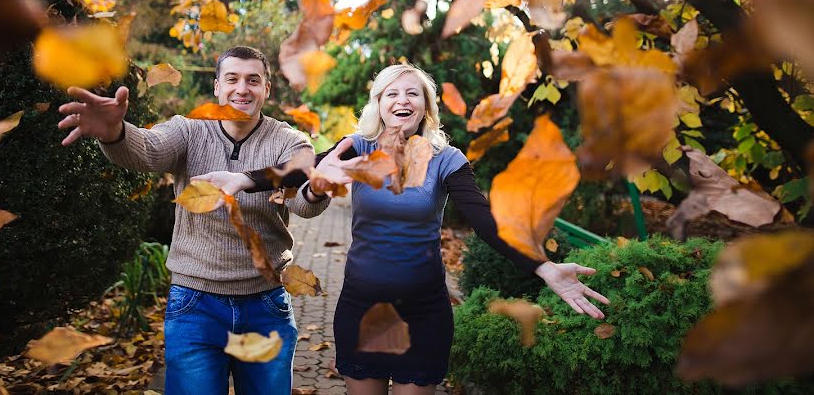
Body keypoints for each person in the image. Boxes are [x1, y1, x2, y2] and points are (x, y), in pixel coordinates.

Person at [207, 63, 609, 395]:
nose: (402, 100)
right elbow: (295, 171)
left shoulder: (447, 159)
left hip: (424, 311)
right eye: (392, 94)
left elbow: (487, 223)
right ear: (379, 105)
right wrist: (243, 180)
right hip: (363, 307)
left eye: (412, 93)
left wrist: (543, 267)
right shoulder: (356, 148)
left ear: (426, 107)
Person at [56, 46, 330, 395]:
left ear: (267, 89)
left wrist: (319, 189)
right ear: (217, 86)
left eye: (253, 80)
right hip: (195, 305)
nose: (242, 89)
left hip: (266, 305)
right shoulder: (189, 131)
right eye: (232, 79)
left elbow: (305, 203)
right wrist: (115, 132)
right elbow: (148, 150)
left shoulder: (289, 141)